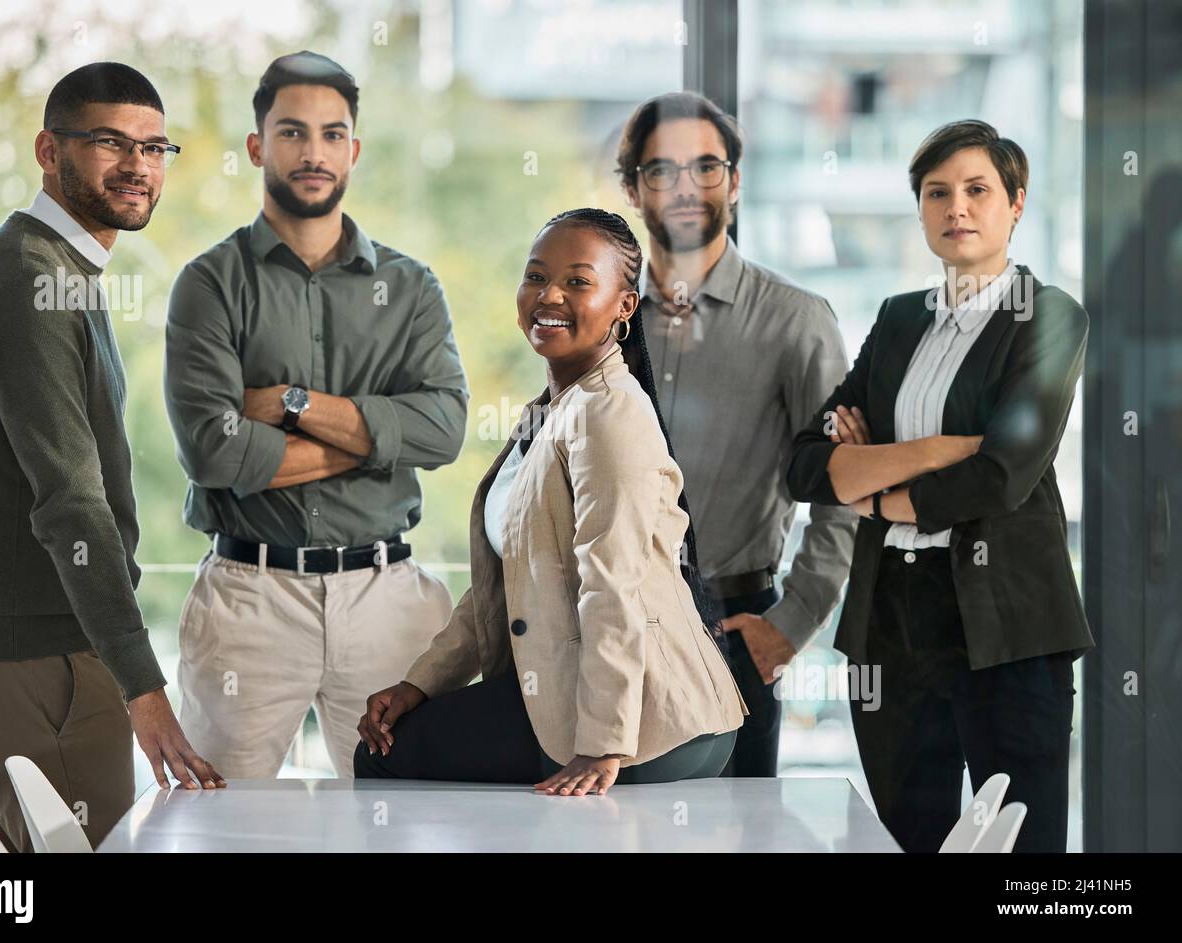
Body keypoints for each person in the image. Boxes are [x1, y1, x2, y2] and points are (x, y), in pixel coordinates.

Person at [0, 62, 224, 853]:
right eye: (110, 143)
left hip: (20, 650)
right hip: (36, 658)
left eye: (155, 147)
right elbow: (71, 503)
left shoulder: (59, 271)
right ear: (49, 149)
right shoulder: (32, 280)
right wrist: (142, 685)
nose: (137, 165)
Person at [353, 209, 747, 796]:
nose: (550, 295)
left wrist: (602, 744)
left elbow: (614, 584)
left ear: (625, 307)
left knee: (386, 759)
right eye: (536, 276)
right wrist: (421, 685)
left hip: (650, 723)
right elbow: (508, 580)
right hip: (574, 695)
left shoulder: (609, 413)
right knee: (393, 743)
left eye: (579, 281)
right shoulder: (556, 408)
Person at [786, 120, 1094, 852]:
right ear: (921, 209)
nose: (957, 207)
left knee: (1022, 854)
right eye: (937, 193)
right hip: (890, 618)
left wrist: (875, 486)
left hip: (1008, 623)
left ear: (1015, 203)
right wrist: (931, 451)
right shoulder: (898, 320)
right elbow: (803, 463)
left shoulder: (1049, 316)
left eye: (977, 190)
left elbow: (1001, 473)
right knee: (907, 836)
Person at [164, 52, 466, 779]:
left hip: (386, 599)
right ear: (257, 147)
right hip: (248, 600)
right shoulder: (209, 285)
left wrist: (292, 405)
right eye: (293, 133)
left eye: (333, 135)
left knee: (405, 817)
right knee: (219, 820)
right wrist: (377, 438)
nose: (314, 152)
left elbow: (445, 428)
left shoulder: (410, 286)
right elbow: (213, 452)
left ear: (353, 151)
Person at [616, 91, 858, 777]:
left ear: (737, 180)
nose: (687, 188)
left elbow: (840, 486)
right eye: (662, 170)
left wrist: (793, 622)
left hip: (733, 626)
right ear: (633, 187)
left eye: (707, 167)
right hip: (607, 622)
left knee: (734, 837)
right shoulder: (603, 312)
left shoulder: (797, 321)